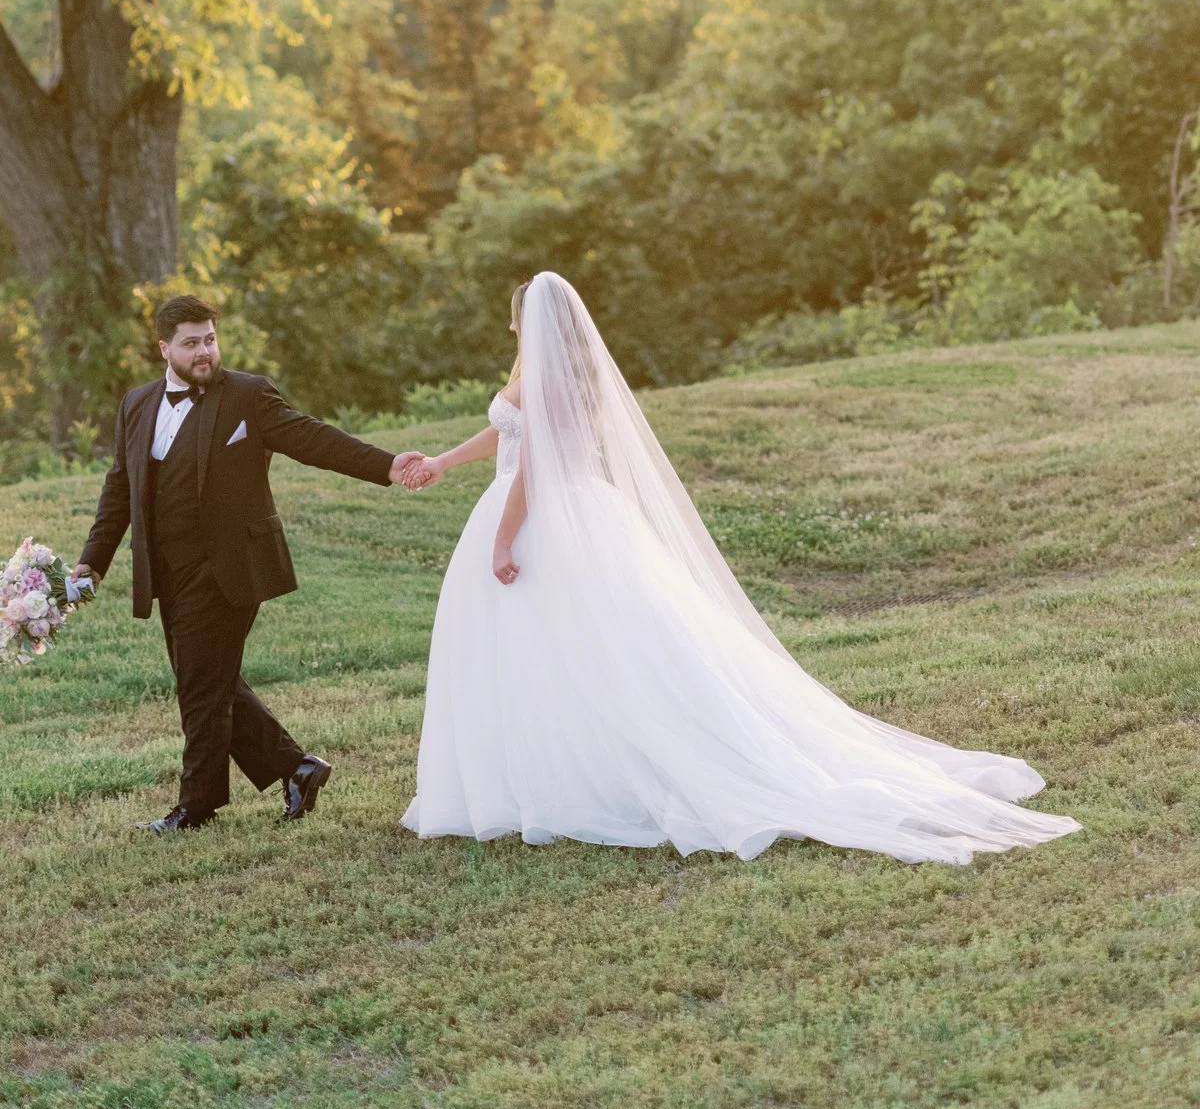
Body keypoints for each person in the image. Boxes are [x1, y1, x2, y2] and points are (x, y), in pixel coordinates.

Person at [394, 272, 1076, 865]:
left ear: (534, 321)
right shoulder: (565, 377)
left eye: (516, 316)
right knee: (572, 652)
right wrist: (445, 461)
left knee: (565, 651)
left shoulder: (543, 379)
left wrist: (504, 540)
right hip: (583, 514)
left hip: (543, 520)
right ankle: (547, 771)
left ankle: (568, 777)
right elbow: (509, 432)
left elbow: (535, 465)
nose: (512, 325)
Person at [74, 291, 434, 834]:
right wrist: (93, 562)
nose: (204, 352)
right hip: (168, 570)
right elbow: (120, 489)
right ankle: (297, 768)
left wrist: (386, 466)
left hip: (229, 566)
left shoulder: (247, 395)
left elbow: (312, 439)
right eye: (190, 343)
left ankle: (195, 807)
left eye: (210, 340)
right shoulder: (137, 404)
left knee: (201, 688)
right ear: (163, 348)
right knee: (210, 679)